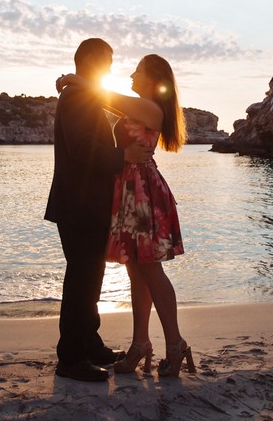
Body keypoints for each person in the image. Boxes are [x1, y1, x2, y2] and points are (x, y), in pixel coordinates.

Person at [57, 54, 195, 378]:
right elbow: (108, 105)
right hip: (129, 190)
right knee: (136, 270)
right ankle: (140, 342)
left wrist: (78, 80)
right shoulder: (139, 105)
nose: (131, 75)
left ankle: (175, 344)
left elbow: (107, 97)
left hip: (143, 191)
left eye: (137, 71)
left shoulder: (150, 108)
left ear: (152, 78)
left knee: (151, 269)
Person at [45, 38, 153, 382]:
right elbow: (82, 149)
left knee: (90, 278)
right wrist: (125, 156)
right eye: (107, 60)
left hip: (84, 203)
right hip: (78, 203)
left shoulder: (84, 93)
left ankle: (89, 346)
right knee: (81, 280)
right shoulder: (77, 96)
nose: (110, 67)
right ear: (92, 60)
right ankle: (71, 358)